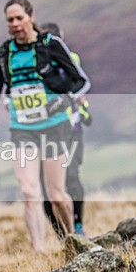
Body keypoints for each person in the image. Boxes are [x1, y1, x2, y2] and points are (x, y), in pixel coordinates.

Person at [0, 0, 90, 252]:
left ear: (31, 16)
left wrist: (63, 102)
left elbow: (80, 81)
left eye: (19, 18)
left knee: (57, 194)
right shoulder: (4, 51)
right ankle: (38, 251)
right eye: (10, 20)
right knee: (29, 191)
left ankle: (73, 241)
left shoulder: (51, 45)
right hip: (22, 128)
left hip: (54, 126)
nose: (15, 24)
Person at [39, 22, 92, 237]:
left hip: (72, 129)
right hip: (44, 131)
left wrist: (85, 112)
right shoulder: (36, 64)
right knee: (47, 189)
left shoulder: (72, 59)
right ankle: (63, 235)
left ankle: (77, 227)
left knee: (71, 177)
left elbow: (80, 88)